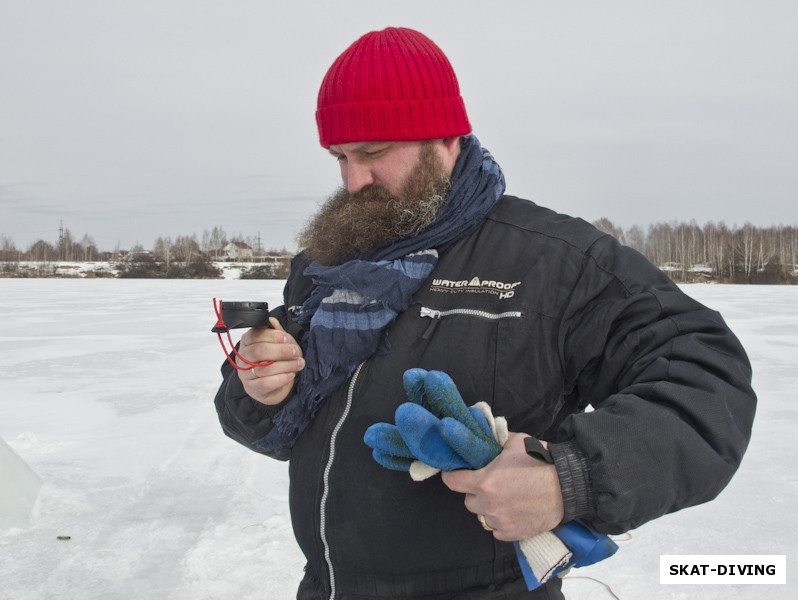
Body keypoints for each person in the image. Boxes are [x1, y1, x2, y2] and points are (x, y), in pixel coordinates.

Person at [214, 27, 756, 599]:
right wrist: (256, 388)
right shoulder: (326, 264)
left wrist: (570, 479)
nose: (354, 181)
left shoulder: (555, 259)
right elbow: (272, 422)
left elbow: (705, 379)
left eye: (374, 152)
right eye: (340, 157)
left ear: (445, 139)